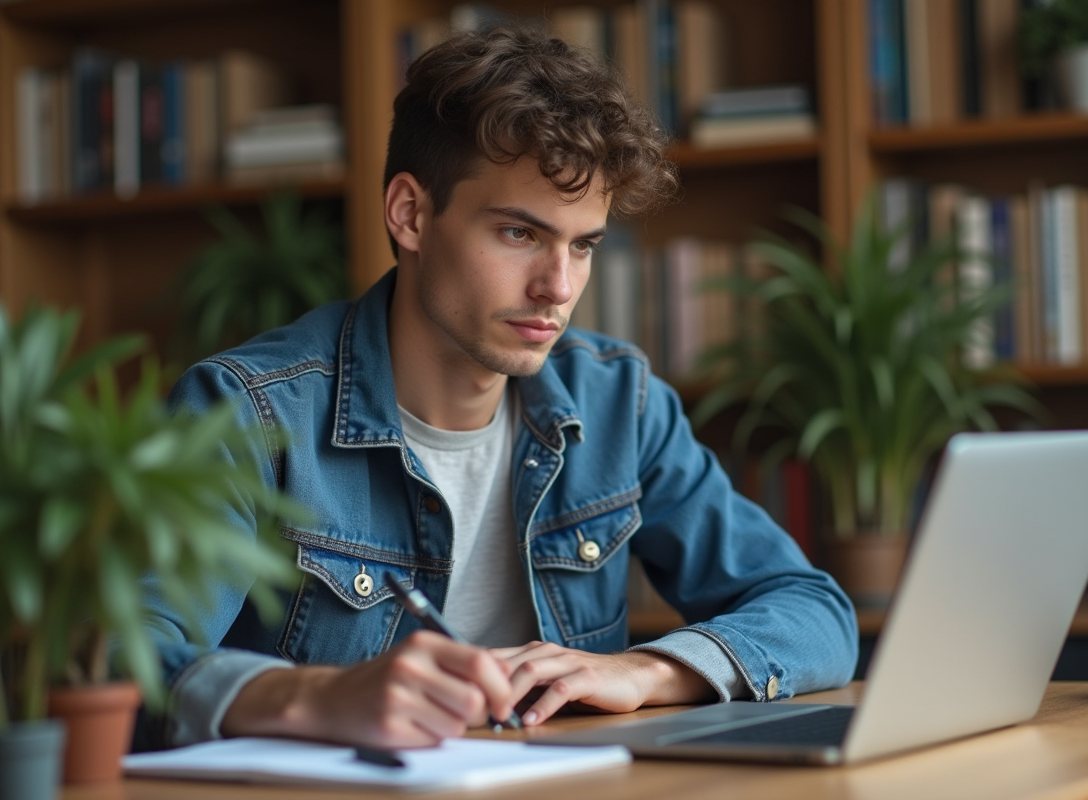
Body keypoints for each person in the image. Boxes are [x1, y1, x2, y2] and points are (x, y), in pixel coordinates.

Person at [143, 25, 857, 751]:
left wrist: (648, 671)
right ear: (410, 213)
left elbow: (813, 611)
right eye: (520, 234)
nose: (559, 287)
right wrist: (317, 696)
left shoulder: (619, 401)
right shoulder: (248, 412)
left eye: (583, 245)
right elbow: (124, 662)